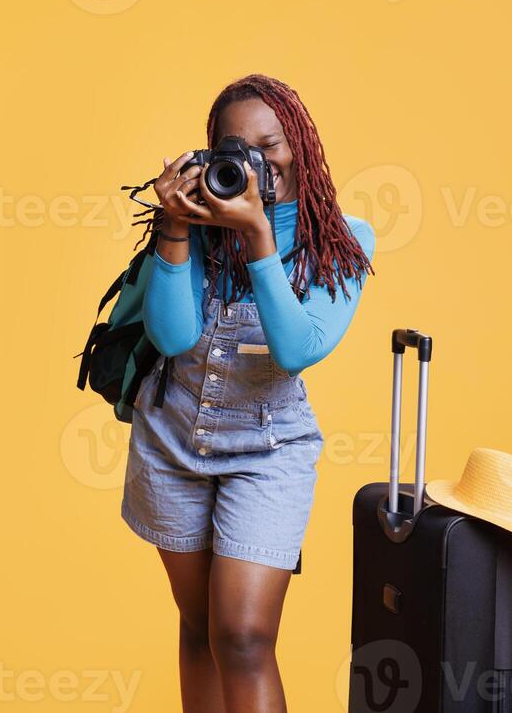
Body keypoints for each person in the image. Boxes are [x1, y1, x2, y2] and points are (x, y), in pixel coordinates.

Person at [121, 73, 376, 712]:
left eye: (274, 144)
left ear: (303, 147)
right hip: (173, 441)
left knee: (243, 637)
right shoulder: (198, 225)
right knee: (199, 628)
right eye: (240, 149)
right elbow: (173, 337)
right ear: (215, 157)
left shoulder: (342, 241)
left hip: (267, 453)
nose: (261, 162)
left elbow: (297, 349)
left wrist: (258, 234)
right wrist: (176, 228)